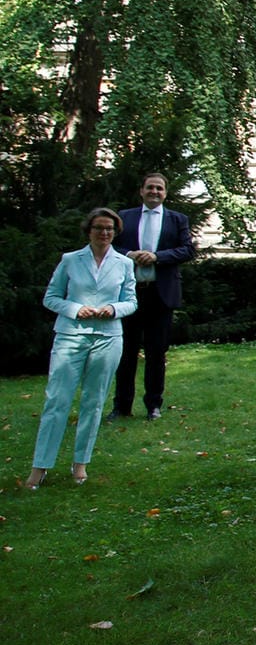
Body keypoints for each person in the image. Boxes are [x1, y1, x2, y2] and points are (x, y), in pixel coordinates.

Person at [27, 209, 139, 488]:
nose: (104, 233)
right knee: (57, 400)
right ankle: (40, 466)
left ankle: (80, 464)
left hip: (108, 337)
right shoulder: (70, 260)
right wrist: (76, 309)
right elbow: (51, 298)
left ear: (115, 232)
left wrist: (112, 309)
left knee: (94, 401)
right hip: (70, 335)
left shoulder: (124, 263)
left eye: (109, 229)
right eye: (99, 228)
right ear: (89, 230)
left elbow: (131, 301)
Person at [111, 171, 196, 421]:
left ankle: (153, 405)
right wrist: (130, 255)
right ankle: (122, 406)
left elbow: (188, 249)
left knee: (156, 352)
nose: (154, 192)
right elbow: (111, 246)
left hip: (161, 295)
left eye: (159, 189)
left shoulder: (177, 219)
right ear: (141, 190)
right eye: (150, 188)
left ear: (165, 193)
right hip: (129, 294)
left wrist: (158, 256)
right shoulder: (125, 218)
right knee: (125, 352)